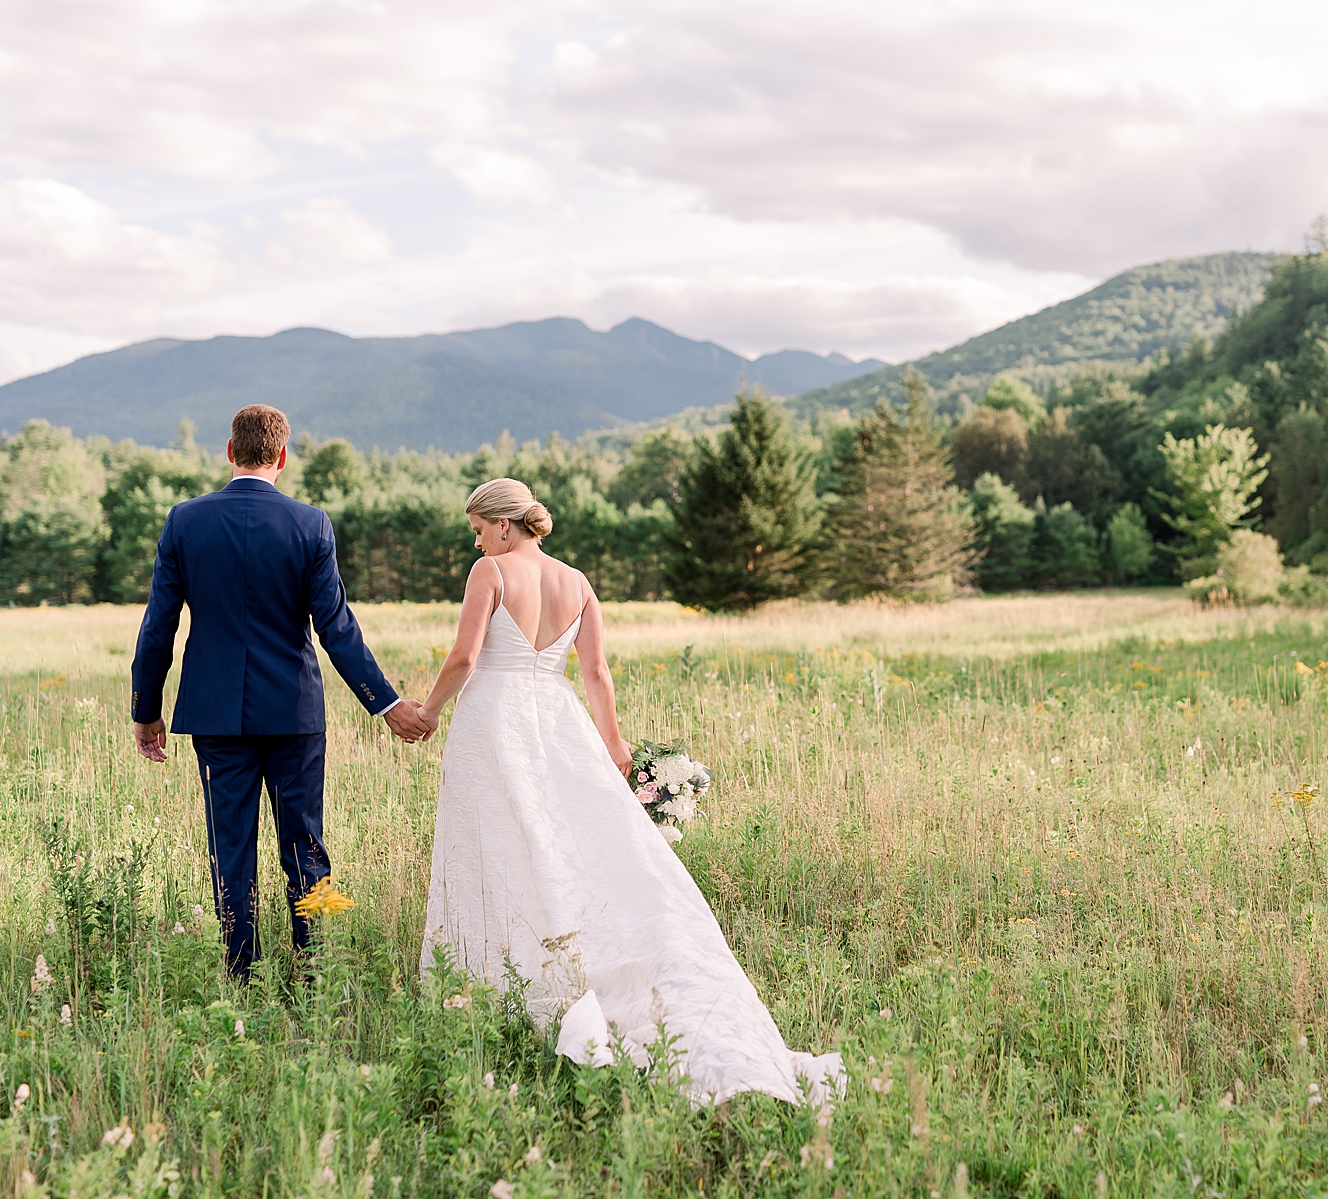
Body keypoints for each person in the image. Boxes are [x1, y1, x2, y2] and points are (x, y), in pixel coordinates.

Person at [415, 477, 844, 1106]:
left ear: (504, 526)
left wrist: (427, 713)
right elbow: (595, 671)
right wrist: (614, 746)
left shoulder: (493, 573)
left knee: (496, 847)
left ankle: (502, 984)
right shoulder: (578, 583)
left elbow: (463, 658)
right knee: (567, 844)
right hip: (560, 720)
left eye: (479, 531)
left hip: (494, 720)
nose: (477, 544)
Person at [130, 404, 430, 978]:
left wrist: (147, 711)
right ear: (283, 456)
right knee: (304, 842)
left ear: (229, 451)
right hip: (294, 713)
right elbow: (335, 625)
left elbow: (158, 626)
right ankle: (311, 966)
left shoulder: (184, 522)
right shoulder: (310, 523)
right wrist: (386, 703)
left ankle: (241, 971)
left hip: (215, 716)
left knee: (231, 845)